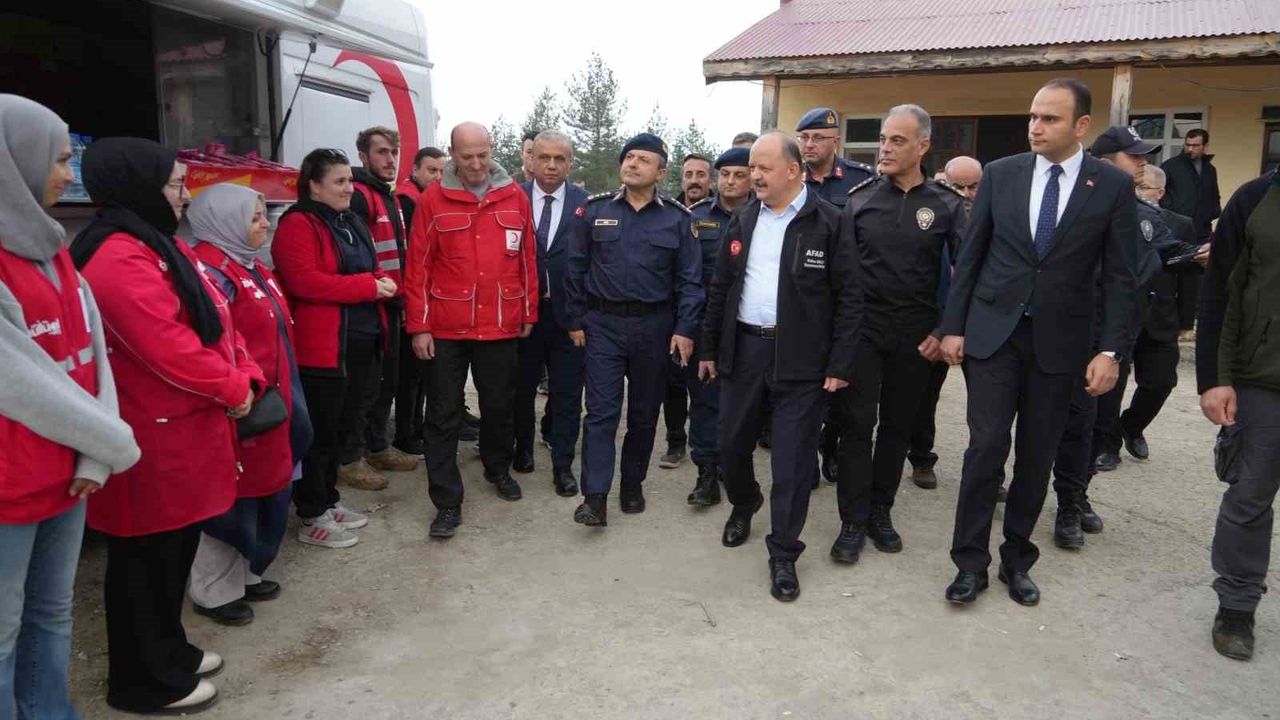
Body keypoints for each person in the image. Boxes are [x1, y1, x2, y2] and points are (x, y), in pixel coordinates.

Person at [73, 137, 265, 714]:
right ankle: (142, 680)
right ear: (137, 185)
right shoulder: (115, 255)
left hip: (182, 425)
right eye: (176, 184)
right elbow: (166, 345)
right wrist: (234, 386)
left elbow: (216, 319)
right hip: (147, 434)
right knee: (142, 560)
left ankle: (169, 649)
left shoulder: (152, 243)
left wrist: (245, 373)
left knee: (171, 551)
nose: (183, 197)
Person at [939, 78, 1137, 607]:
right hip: (994, 336)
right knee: (985, 449)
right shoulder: (1001, 176)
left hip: (1062, 343)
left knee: (1036, 455)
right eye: (1033, 116)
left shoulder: (1111, 187)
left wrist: (1110, 350)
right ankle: (969, 564)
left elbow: (1121, 276)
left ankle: (1016, 561)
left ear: (1081, 126)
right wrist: (952, 327)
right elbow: (971, 258)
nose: (1035, 126)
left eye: (1049, 118)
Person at [0, 95, 140, 720]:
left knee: (52, 612)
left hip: (70, 473)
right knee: (1, 634)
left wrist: (96, 452)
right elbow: (24, 384)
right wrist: (114, 443)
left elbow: (93, 357)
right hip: (9, 486)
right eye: (59, 160)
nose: (68, 174)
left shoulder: (53, 247)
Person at [700, 131, 860, 601]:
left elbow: (851, 298)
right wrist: (710, 349)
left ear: (793, 171)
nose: (755, 176)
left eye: (763, 168)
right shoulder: (744, 219)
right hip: (745, 351)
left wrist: (840, 361)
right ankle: (745, 503)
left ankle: (783, 553)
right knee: (730, 443)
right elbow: (721, 290)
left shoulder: (829, 222)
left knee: (791, 463)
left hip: (802, 361)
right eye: (753, 167)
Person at [1051, 126, 1198, 550]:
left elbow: (1156, 252)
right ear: (1104, 159)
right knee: (1067, 421)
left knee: (1098, 422)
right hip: (1073, 329)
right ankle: (1056, 499)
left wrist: (1197, 254)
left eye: (1142, 156)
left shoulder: (1138, 208)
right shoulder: (1073, 201)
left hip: (1118, 332)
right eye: (1132, 156)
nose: (1141, 163)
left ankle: (1075, 495)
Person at [832, 105, 967, 564]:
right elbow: (841, 274)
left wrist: (946, 328)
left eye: (897, 141)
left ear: (923, 146)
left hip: (917, 335)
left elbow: (966, 273)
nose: (885, 149)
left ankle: (880, 512)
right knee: (855, 425)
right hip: (864, 330)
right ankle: (851, 520)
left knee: (897, 427)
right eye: (883, 140)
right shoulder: (860, 200)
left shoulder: (947, 204)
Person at [405, 122, 539, 540]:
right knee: (442, 415)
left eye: (483, 154)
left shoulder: (513, 195)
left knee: (500, 406)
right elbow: (418, 266)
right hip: (446, 326)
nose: (477, 164)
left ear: (492, 150)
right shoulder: (433, 200)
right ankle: (446, 501)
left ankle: (498, 468)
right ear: (452, 155)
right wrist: (419, 326)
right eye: (467, 157)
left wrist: (529, 310)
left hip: (500, 323)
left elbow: (528, 259)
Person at [564, 132, 703, 527]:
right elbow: (574, 269)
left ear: (660, 172)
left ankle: (632, 484)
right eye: (629, 157)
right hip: (603, 325)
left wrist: (685, 328)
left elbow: (690, 281)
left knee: (644, 414)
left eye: (643, 160)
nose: (633, 164)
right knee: (601, 412)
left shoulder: (678, 219)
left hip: (654, 327)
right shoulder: (593, 212)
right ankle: (594, 496)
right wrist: (575, 320)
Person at [187, 184, 307, 626]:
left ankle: (246, 575)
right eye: (255, 217)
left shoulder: (251, 265)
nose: (265, 224)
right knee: (229, 498)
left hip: (268, 401)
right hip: (237, 404)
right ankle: (213, 591)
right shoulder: (208, 273)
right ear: (225, 221)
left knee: (263, 489)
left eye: (264, 215)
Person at [273, 148, 393, 548]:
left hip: (360, 341)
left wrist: (381, 282)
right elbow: (305, 281)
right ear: (314, 185)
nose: (349, 188)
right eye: (339, 181)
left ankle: (328, 499)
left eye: (349, 180)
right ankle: (311, 514)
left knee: (343, 427)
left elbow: (370, 266)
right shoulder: (298, 225)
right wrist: (366, 287)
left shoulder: (351, 220)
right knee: (319, 433)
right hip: (323, 349)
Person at [1196, 166, 1279, 661]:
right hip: (1262, 379)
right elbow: (1219, 296)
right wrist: (1214, 378)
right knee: (1250, 495)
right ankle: (1237, 605)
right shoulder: (1255, 199)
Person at [795, 107, 874, 482]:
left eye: (817, 138)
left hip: (844, 296)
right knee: (805, 386)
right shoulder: (791, 178)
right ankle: (806, 456)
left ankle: (832, 446)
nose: (809, 145)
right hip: (804, 300)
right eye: (804, 138)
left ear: (835, 141)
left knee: (843, 388)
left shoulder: (860, 183)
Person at [514, 130, 588, 496]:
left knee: (567, 394)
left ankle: (563, 466)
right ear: (532, 159)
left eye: (560, 159)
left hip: (569, 319)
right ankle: (523, 449)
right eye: (544, 157)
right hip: (522, 317)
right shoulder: (511, 198)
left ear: (570, 162)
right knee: (520, 389)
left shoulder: (585, 203)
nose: (552, 165)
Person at [682, 146, 752, 507]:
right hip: (707, 326)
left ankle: (734, 466)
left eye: (739, 175)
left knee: (743, 404)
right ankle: (706, 472)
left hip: (749, 327)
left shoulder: (764, 216)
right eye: (724, 174)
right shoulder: (693, 217)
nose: (730, 181)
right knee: (706, 401)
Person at [349, 126, 420, 472]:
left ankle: (379, 446)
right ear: (363, 155)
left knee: (387, 382)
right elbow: (360, 255)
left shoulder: (387, 195)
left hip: (391, 304)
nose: (390, 159)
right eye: (381, 152)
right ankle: (354, 457)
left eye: (393, 152)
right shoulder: (360, 195)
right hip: (369, 307)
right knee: (366, 385)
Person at [909, 155, 982, 490]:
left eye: (974, 186)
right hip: (937, 321)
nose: (967, 194)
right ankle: (922, 457)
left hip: (984, 325)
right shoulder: (930, 218)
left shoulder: (994, 219)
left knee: (987, 408)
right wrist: (941, 328)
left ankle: (987, 473)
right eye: (958, 186)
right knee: (924, 395)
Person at [661, 152, 717, 468]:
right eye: (688, 174)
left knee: (704, 386)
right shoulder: (671, 213)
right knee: (673, 382)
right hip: (674, 312)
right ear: (680, 178)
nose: (694, 180)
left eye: (701, 174)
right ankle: (674, 441)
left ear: (710, 179)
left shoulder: (722, 213)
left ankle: (705, 448)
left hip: (708, 315)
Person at [1161, 128, 1221, 334]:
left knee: (1199, 274)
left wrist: (1212, 212)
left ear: (1205, 146)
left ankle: (1191, 319)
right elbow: (1160, 195)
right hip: (1177, 230)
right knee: (1177, 273)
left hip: (1202, 229)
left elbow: (1215, 195)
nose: (1190, 149)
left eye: (1195, 145)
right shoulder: (1170, 166)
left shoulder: (1210, 169)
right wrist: (1174, 211)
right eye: (1187, 144)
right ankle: (1174, 318)